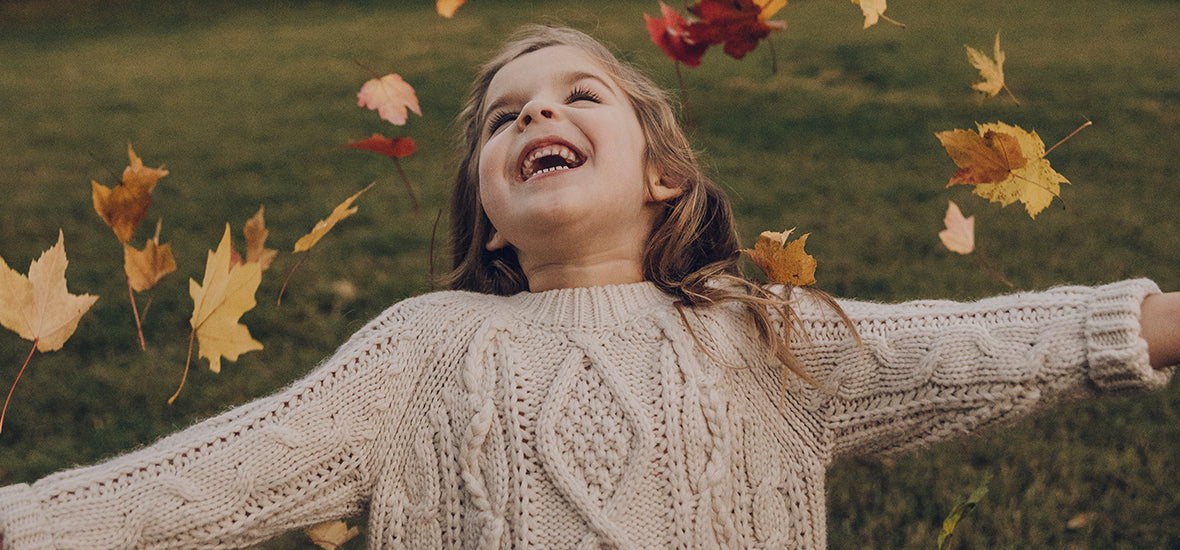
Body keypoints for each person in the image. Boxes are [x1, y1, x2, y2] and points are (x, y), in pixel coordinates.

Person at [0, 24, 1177, 549]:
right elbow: (202, 483)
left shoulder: (750, 330)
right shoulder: (425, 348)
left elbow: (973, 344)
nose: (538, 115)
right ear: (492, 219)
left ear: (663, 173)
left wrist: (1157, 324)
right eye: (504, 118)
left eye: (577, 95)